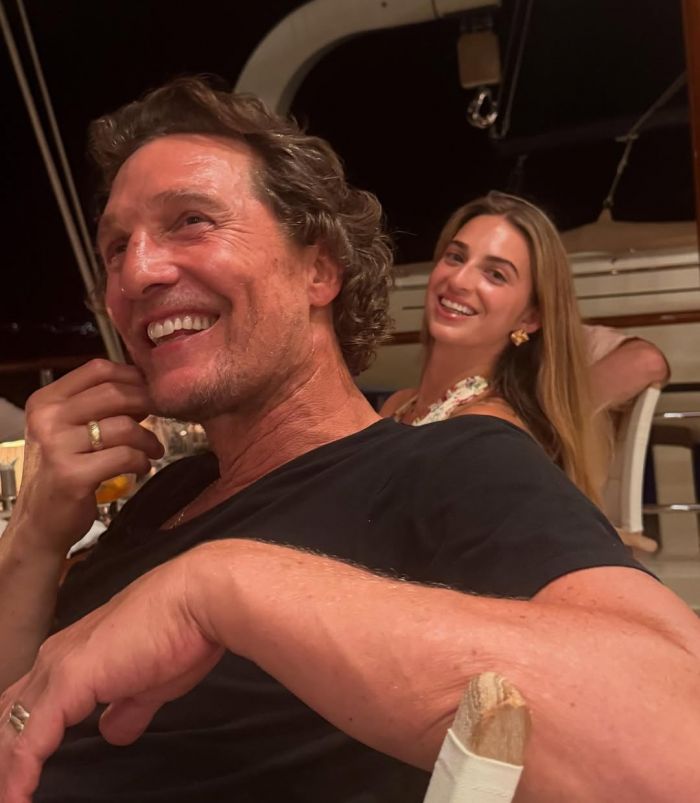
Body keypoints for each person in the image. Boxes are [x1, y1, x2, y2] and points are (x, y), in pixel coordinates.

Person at [1, 77, 700, 803]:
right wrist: (35, 539)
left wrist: (216, 588)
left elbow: (680, 726)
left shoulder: (452, 466)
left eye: (192, 221)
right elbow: (23, 715)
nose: (136, 272)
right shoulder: (169, 491)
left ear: (319, 268)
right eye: (116, 247)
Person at [380, 193, 605, 502]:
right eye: (455, 257)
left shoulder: (487, 433)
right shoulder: (399, 405)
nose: (459, 280)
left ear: (530, 317)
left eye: (495, 275)